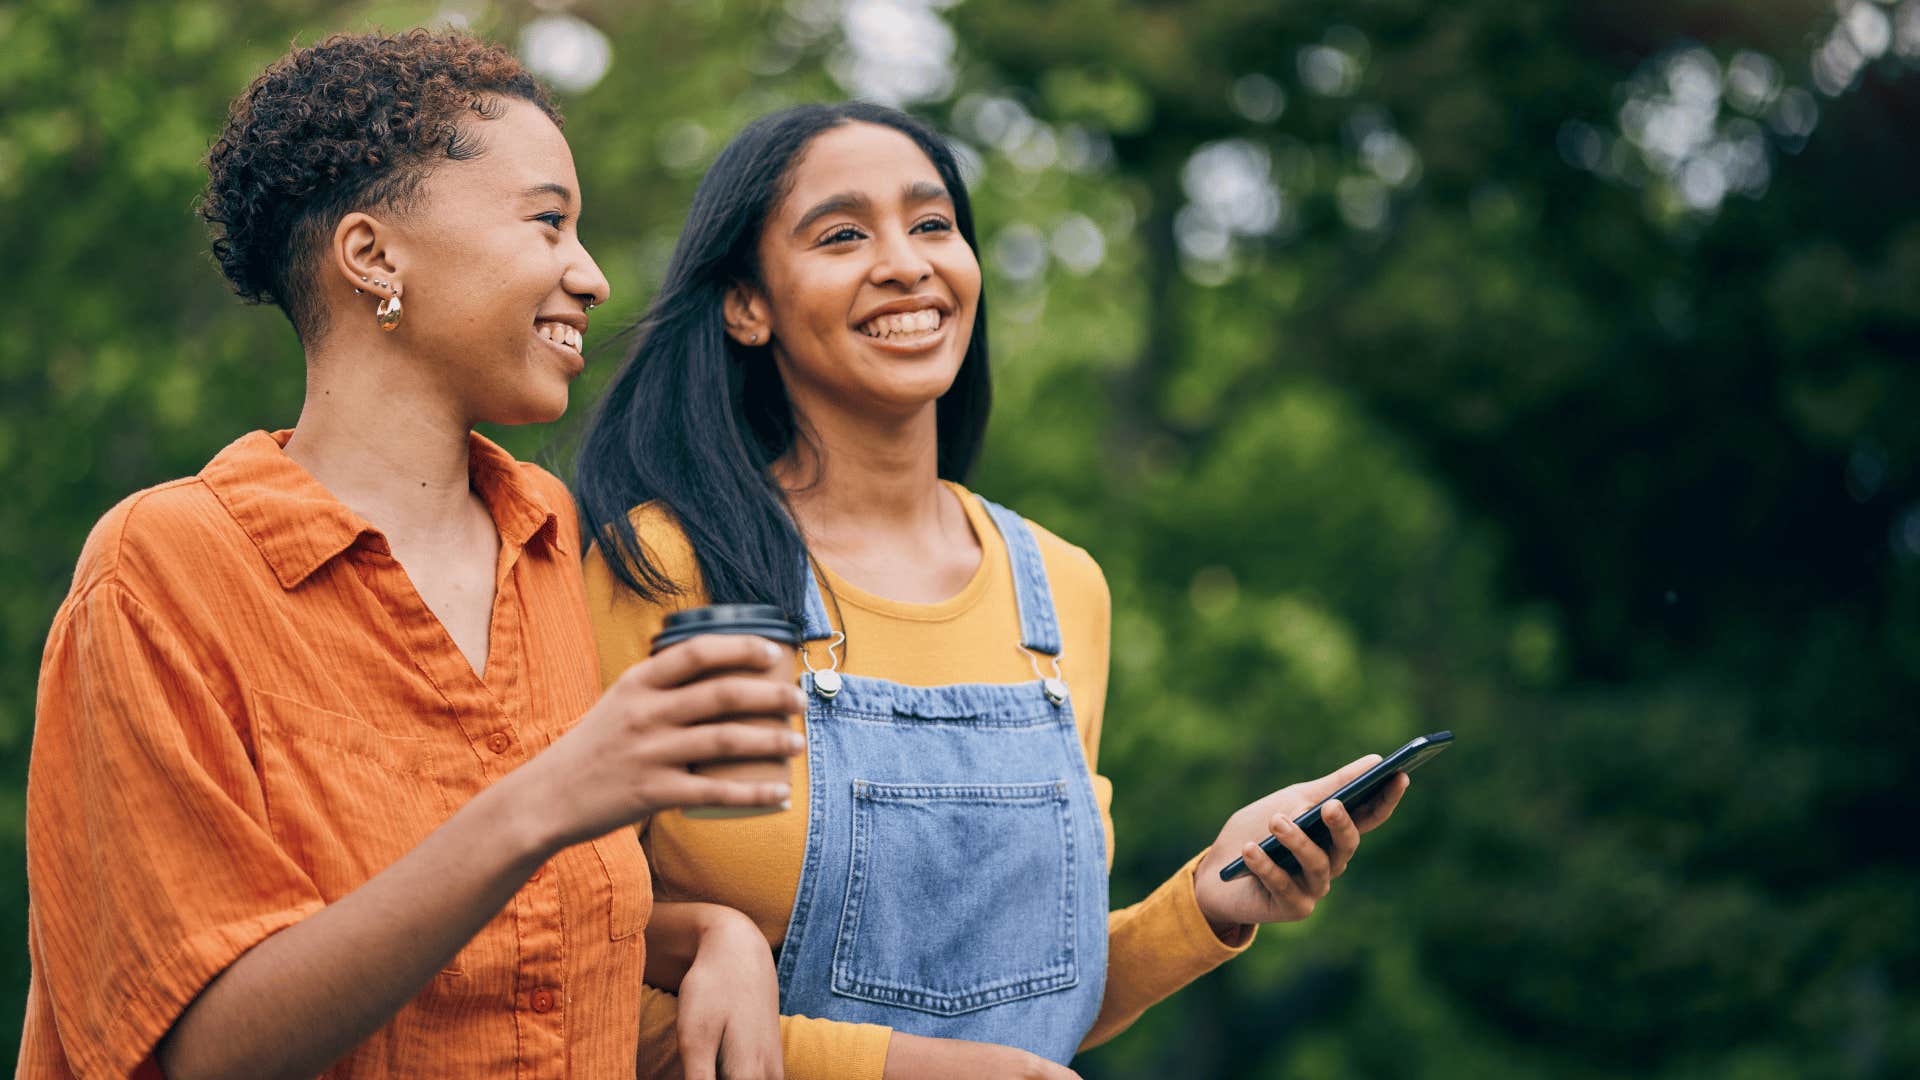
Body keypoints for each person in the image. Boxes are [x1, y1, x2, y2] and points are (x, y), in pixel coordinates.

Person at [574, 102, 1412, 1080]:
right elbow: (574, 979)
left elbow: (1032, 1001)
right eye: (843, 235)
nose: (907, 262)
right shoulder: (672, 570)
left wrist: (1206, 906)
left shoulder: (1059, 590)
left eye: (933, 225)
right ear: (745, 305)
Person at [19, 31, 798, 1078]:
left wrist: (714, 936)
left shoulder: (549, 536)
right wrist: (548, 797)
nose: (593, 276)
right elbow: (204, 1047)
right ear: (373, 256)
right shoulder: (166, 566)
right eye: (548, 222)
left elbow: (529, 929)